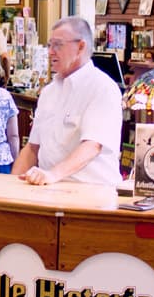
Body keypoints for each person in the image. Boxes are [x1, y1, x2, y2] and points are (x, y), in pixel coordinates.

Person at [10, 16, 122, 187]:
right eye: (49, 45)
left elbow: (92, 145)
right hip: (49, 190)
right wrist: (10, 186)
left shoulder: (103, 88)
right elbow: (32, 148)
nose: (50, 52)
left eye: (58, 45)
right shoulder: (49, 92)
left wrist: (53, 175)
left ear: (81, 47)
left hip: (91, 193)